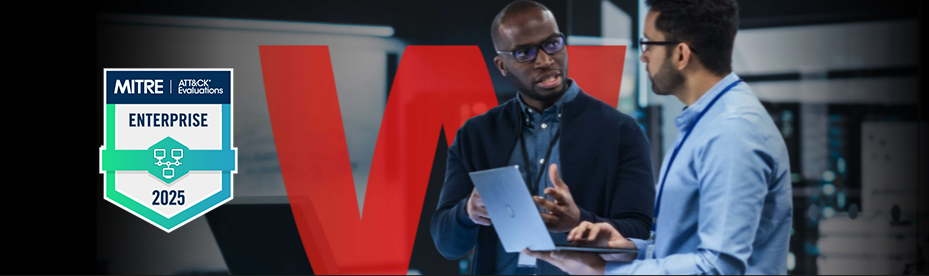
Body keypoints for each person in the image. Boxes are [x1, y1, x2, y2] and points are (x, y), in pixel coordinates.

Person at [523, 0, 793, 274]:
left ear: (681, 54)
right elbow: (686, 249)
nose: (643, 57)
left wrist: (603, 272)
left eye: (648, 44)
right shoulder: (707, 123)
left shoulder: (731, 132)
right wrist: (627, 248)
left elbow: (718, 267)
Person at [430, 1, 656, 274]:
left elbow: (639, 233)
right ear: (502, 65)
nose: (545, 60)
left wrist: (578, 220)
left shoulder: (621, 131)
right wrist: (468, 211)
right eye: (524, 52)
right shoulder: (476, 135)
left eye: (552, 44)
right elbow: (447, 245)